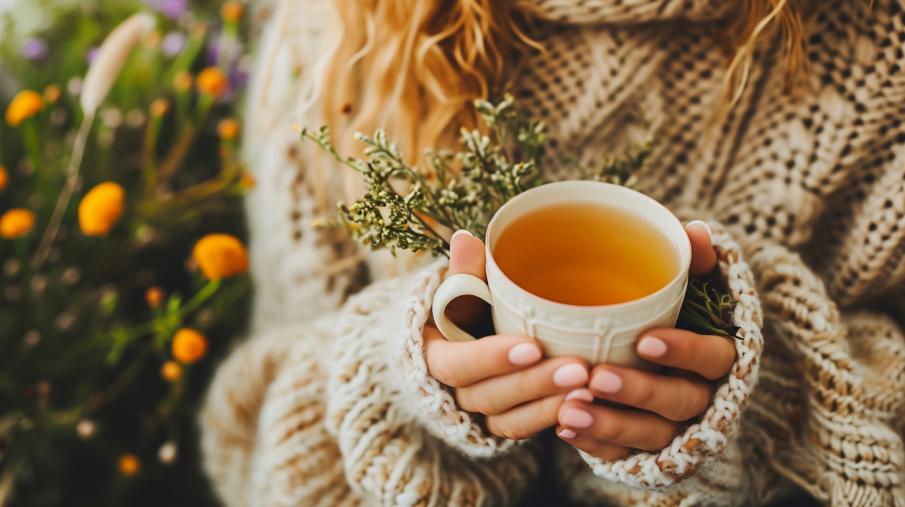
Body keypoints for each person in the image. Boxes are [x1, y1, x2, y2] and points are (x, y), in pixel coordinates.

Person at [200, 0, 905, 505]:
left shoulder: (881, 53)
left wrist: (759, 396)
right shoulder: (337, 28)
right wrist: (394, 382)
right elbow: (268, 421)